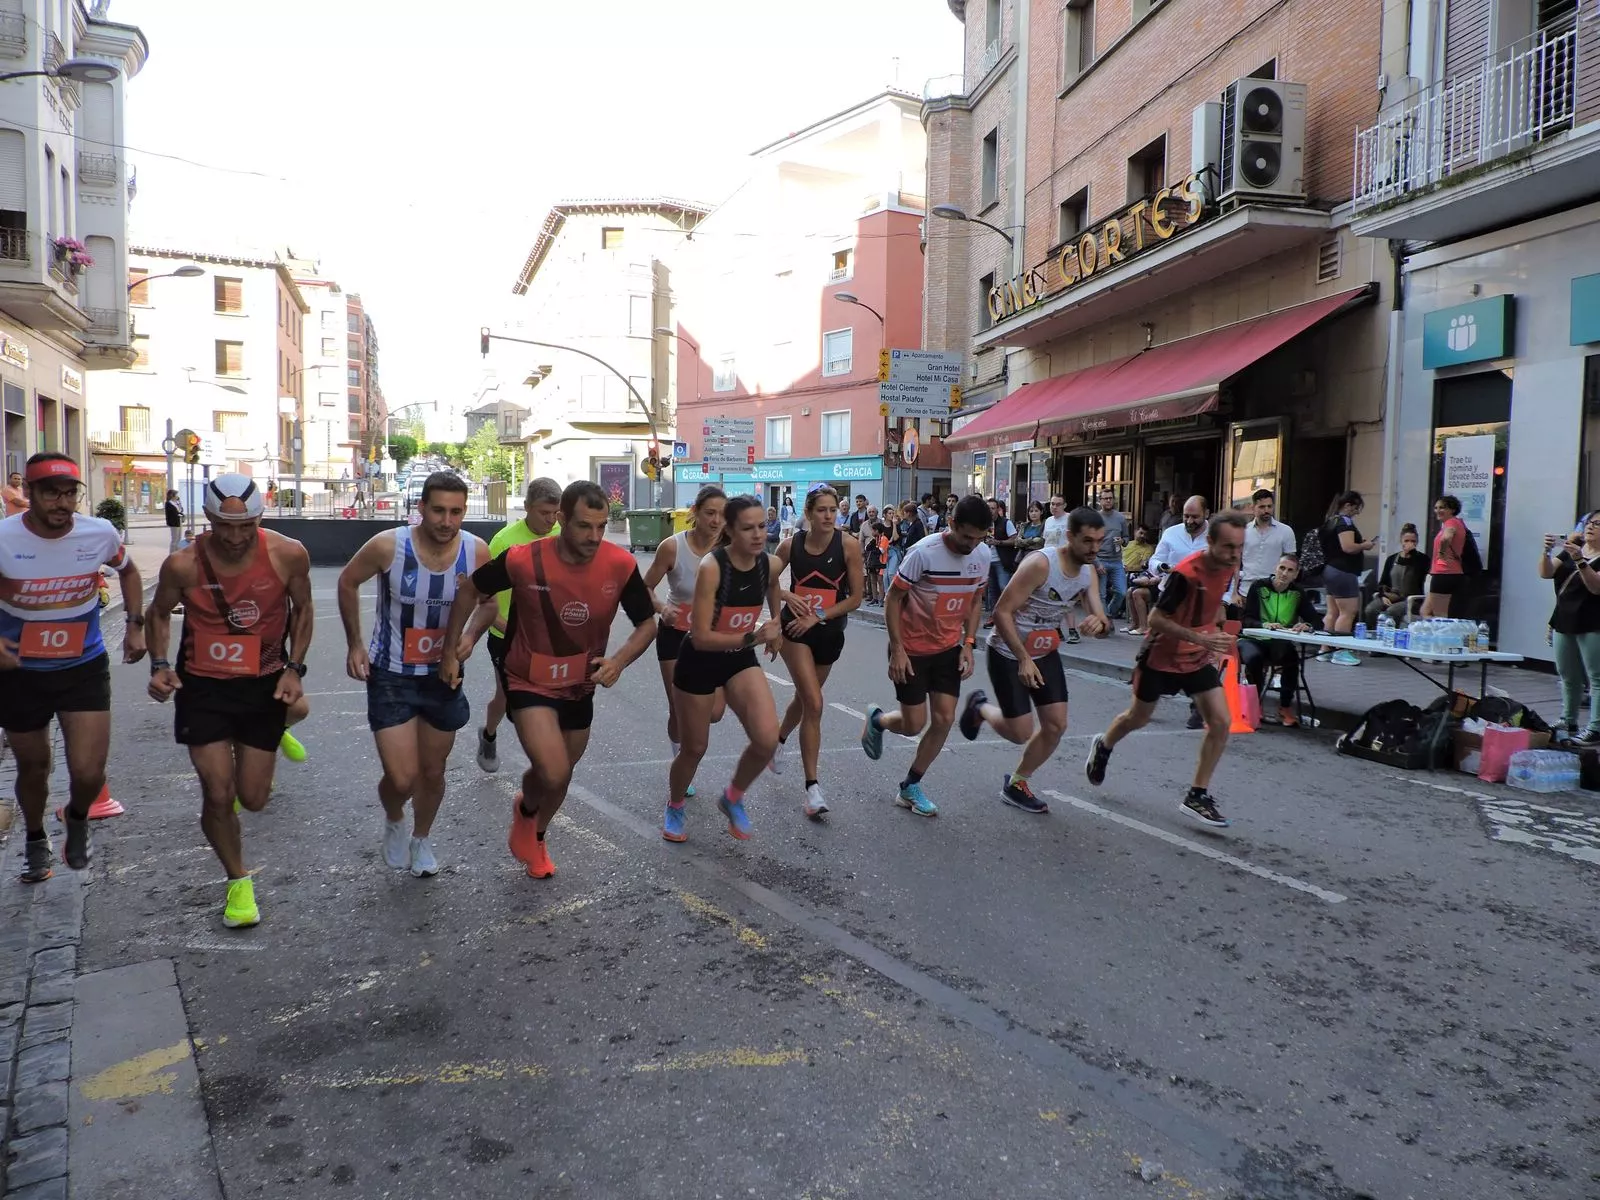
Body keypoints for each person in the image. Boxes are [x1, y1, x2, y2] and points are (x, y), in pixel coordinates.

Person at [440, 481, 658, 880]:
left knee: (556, 774)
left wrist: (619, 661)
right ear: (561, 520)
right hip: (527, 680)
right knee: (555, 771)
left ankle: (532, 822)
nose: (593, 537)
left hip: (580, 685)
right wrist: (454, 645)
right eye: (583, 526)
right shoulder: (523, 559)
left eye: (601, 526)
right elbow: (471, 589)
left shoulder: (620, 564)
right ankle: (533, 823)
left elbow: (647, 623)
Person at [145, 474, 312, 927]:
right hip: (204, 688)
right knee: (218, 794)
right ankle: (238, 880)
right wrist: (160, 664)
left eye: (246, 526)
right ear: (209, 519)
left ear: (259, 517)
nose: (235, 537)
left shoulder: (288, 554)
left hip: (262, 684)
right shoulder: (182, 565)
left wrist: (295, 669)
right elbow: (158, 613)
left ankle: (270, 737)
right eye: (224, 526)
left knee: (252, 799)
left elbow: (303, 610)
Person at [0, 453, 145, 883]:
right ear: (29, 493)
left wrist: (135, 626)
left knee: (88, 771)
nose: (62, 503)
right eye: (51, 493)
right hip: (19, 672)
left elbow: (130, 572)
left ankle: (77, 815)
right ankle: (34, 837)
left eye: (70, 494)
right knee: (33, 765)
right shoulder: (4, 537)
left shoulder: (98, 533)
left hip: (82, 665)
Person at [337, 471, 489, 877]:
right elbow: (348, 581)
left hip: (444, 675)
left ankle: (421, 838)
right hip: (392, 675)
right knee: (402, 778)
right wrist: (355, 644)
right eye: (438, 510)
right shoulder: (389, 545)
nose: (447, 520)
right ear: (420, 508)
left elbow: (491, 603)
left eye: (456, 512)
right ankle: (394, 818)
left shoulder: (476, 552)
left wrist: (471, 637)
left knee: (433, 771)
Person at [1085, 511, 1248, 829]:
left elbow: (1215, 599)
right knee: (1138, 717)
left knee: (1220, 721)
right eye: (1228, 546)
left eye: (1239, 547)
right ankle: (1103, 745)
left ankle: (1197, 795)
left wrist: (1216, 628)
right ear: (1210, 541)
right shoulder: (1186, 574)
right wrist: (1199, 636)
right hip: (1161, 655)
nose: (1234, 554)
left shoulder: (1229, 566)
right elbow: (1157, 619)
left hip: (1196, 656)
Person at [959, 505, 1109, 813]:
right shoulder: (1041, 564)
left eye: (1099, 541)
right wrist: (1023, 658)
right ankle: (981, 708)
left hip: (1044, 650)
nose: (1095, 548)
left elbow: (1102, 619)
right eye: (1088, 541)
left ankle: (1017, 782)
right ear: (1069, 537)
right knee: (1020, 733)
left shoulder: (1087, 571)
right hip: (1008, 651)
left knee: (1056, 725)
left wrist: (1099, 624)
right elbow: (1001, 611)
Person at [859, 495, 994, 816]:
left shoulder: (983, 555)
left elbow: (975, 601)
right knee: (912, 724)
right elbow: (893, 599)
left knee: (945, 719)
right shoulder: (923, 552)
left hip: (948, 648)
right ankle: (878, 720)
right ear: (951, 524)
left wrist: (969, 643)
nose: (972, 545)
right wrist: (898, 650)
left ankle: (910, 786)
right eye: (966, 537)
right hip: (911, 647)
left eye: (979, 538)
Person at [664, 495, 787, 841]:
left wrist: (776, 621)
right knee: (694, 748)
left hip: (739, 658)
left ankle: (733, 796)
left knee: (766, 739)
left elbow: (775, 583)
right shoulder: (713, 567)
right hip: (699, 662)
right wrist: (756, 635)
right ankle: (674, 806)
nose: (758, 535)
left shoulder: (769, 564)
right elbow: (701, 637)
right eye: (748, 528)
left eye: (762, 526)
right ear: (730, 530)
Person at [769, 486, 864, 817]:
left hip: (828, 633)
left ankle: (777, 741)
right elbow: (762, 578)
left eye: (833, 509)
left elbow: (856, 598)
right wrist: (785, 596)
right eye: (821, 510)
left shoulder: (848, 545)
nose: (828, 516)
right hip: (794, 631)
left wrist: (819, 616)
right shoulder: (790, 545)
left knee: (804, 698)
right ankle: (812, 789)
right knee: (815, 702)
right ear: (808, 514)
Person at [465, 477, 561, 774]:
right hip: (506, 634)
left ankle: (545, 761)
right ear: (527, 507)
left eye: (555, 513)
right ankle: (489, 734)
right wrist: (509, 627)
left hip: (548, 638)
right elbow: (485, 601)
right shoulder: (504, 542)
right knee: (508, 697)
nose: (550, 519)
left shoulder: (561, 534)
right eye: (544, 512)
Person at [642, 485, 726, 799]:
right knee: (679, 709)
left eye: (722, 514)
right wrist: (663, 608)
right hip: (676, 634)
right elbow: (645, 587)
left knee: (714, 712)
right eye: (710, 513)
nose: (717, 521)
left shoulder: (729, 547)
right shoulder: (672, 547)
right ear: (695, 513)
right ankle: (681, 760)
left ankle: (687, 752)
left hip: (714, 637)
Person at [1239, 553, 1320, 726]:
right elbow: (1246, 620)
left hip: (1279, 642)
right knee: (1254, 659)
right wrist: (1265, 625)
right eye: (1282, 568)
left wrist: (1306, 625)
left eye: (1290, 570)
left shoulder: (1298, 593)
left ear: (1296, 574)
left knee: (1292, 659)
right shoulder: (1258, 587)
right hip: (1252, 639)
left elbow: (1316, 620)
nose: (1284, 573)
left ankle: (1285, 708)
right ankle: (1255, 704)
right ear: (1275, 568)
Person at [1540, 514, 1600, 744]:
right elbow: (1545, 572)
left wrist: (1581, 562)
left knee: (1596, 677)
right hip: (1564, 619)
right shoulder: (1572, 549)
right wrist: (1546, 552)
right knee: (1568, 675)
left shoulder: (1581, 555)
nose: (1590, 528)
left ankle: (1595, 727)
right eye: (1589, 523)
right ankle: (1568, 719)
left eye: (1597, 524)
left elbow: (1595, 587)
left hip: (1592, 622)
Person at [1317, 490, 1376, 664]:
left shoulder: (1330, 520)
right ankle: (1341, 651)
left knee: (1332, 612)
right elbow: (1348, 547)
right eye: (1356, 508)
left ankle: (1325, 650)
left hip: (1330, 571)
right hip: (1343, 572)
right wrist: (1365, 545)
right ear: (1348, 505)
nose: (1357, 513)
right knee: (1348, 612)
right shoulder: (1345, 522)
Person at [1231, 489, 1296, 608]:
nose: (1266, 510)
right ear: (1253, 508)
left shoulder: (1286, 531)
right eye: (1261, 507)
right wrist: (1234, 593)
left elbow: (1291, 565)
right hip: (1246, 591)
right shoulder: (1243, 530)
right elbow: (1235, 563)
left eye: (1269, 506)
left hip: (1275, 592)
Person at [1364, 524, 1426, 626]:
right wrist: (1383, 596)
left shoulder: (1422, 560)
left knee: (1392, 611)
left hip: (1411, 600)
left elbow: (1421, 579)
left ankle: (1392, 636)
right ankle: (1372, 634)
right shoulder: (1391, 559)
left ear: (1417, 542)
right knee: (1370, 609)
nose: (1409, 543)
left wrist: (1410, 555)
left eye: (1413, 541)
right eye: (1406, 541)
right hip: (1392, 596)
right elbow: (1383, 582)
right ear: (1401, 541)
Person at [1422, 494, 1470, 618]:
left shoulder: (1451, 522)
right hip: (1450, 573)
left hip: (1444, 574)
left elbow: (1446, 538)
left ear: (1452, 510)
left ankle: (1441, 636)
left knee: (1440, 616)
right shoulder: (1455, 524)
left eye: (1442, 507)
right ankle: (1435, 636)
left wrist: (1441, 554)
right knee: (1425, 612)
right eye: (1436, 508)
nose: (1438, 510)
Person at [1094, 487, 1131, 623]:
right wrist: (1096, 563)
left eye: (1110, 498)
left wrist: (1123, 541)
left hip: (1116, 561)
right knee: (1101, 595)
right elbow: (1091, 543)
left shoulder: (1120, 518)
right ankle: (1105, 622)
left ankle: (1108, 613)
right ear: (1100, 501)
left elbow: (1127, 537)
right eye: (1105, 498)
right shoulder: (1096, 518)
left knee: (1122, 592)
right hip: (1101, 559)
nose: (1108, 501)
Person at [985, 498, 1020, 617]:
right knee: (992, 591)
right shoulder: (983, 523)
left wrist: (998, 542)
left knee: (1003, 587)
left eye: (992, 508)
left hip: (1001, 561)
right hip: (988, 561)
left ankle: (1008, 614)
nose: (990, 511)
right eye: (988, 508)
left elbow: (1014, 540)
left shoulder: (1006, 522)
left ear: (998, 510)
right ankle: (994, 616)